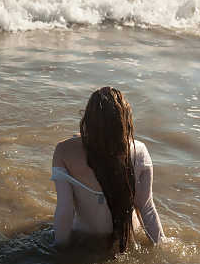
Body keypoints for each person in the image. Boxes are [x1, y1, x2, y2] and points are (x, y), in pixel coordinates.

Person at [51, 86, 165, 253]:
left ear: (87, 119)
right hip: (127, 237)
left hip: (85, 236)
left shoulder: (64, 151)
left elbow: (64, 210)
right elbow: (146, 207)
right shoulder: (139, 151)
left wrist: (58, 250)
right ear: (124, 122)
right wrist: (162, 245)